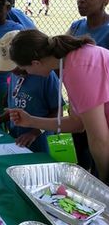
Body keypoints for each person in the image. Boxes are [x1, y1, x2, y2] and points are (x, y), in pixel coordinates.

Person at [7, 29, 109, 184]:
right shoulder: (70, 62)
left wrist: (103, 183)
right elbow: (78, 124)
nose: (26, 73)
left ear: (35, 63)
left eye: (25, 69)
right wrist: (31, 121)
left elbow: (99, 139)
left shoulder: (78, 69)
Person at [0, 31, 61, 153]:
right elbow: (14, 108)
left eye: (15, 67)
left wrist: (34, 133)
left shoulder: (45, 75)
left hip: (39, 143)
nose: (13, 71)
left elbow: (57, 112)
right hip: (16, 141)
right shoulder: (16, 74)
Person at [67, 0, 109, 172]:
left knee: (100, 161)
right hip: (79, 109)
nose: (81, 0)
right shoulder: (76, 27)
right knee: (81, 161)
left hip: (102, 112)